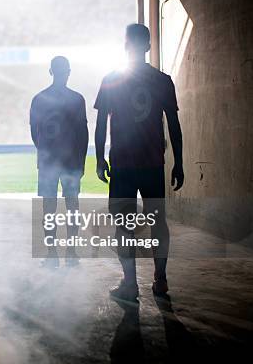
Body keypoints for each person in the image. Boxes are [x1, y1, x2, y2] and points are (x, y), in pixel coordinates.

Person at [94, 23, 184, 302]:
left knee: (123, 224)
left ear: (125, 46)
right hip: (153, 164)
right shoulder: (162, 80)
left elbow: (100, 124)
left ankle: (130, 284)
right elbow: (174, 125)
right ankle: (161, 279)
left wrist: (99, 158)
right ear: (147, 46)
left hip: (122, 164)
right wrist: (178, 162)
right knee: (158, 221)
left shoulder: (111, 79)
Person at [30, 56, 89, 268]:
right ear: (69, 72)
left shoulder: (39, 99)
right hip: (71, 161)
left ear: (50, 71)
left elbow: (34, 133)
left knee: (49, 208)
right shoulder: (77, 99)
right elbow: (83, 133)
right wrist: (80, 161)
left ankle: (52, 254)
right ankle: (71, 252)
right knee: (72, 207)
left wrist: (47, 151)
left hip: (48, 161)